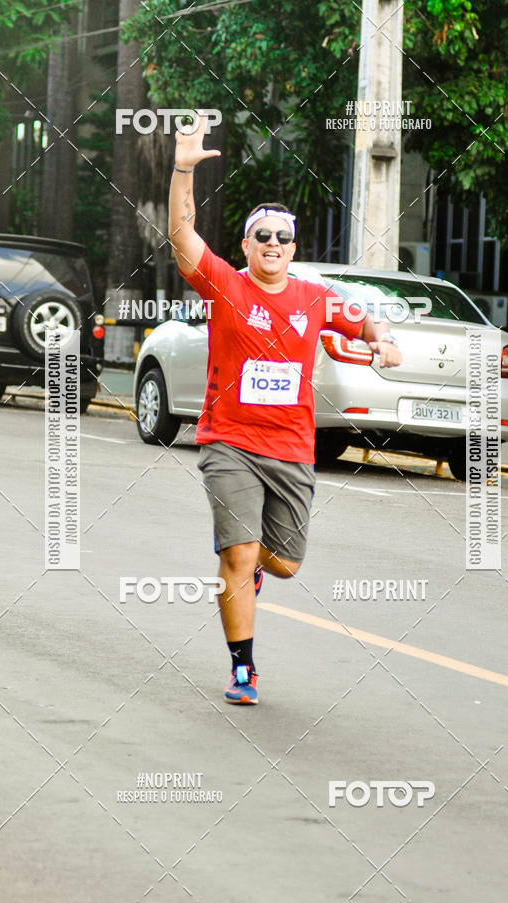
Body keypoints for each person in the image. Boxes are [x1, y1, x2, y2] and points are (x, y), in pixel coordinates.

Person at [169, 117, 402, 705]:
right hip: (229, 441)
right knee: (240, 552)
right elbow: (181, 235)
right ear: (245, 245)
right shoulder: (225, 285)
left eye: (282, 237)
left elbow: (357, 317)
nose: (272, 244)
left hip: (292, 447)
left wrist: (380, 340)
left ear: (293, 248)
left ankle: (242, 559)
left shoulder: (314, 296)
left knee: (285, 564)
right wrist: (184, 169)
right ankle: (242, 667)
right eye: (261, 235)